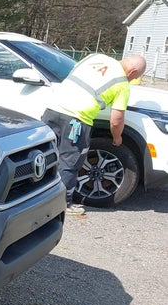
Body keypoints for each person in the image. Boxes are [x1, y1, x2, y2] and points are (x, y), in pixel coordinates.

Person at [41, 53, 146, 216]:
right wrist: (117, 138)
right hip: (76, 121)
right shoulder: (122, 84)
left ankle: (35, 198)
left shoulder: (95, 57)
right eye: (134, 77)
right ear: (132, 71)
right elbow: (116, 120)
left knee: (45, 156)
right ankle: (62, 204)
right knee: (70, 162)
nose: (132, 80)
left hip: (52, 111)